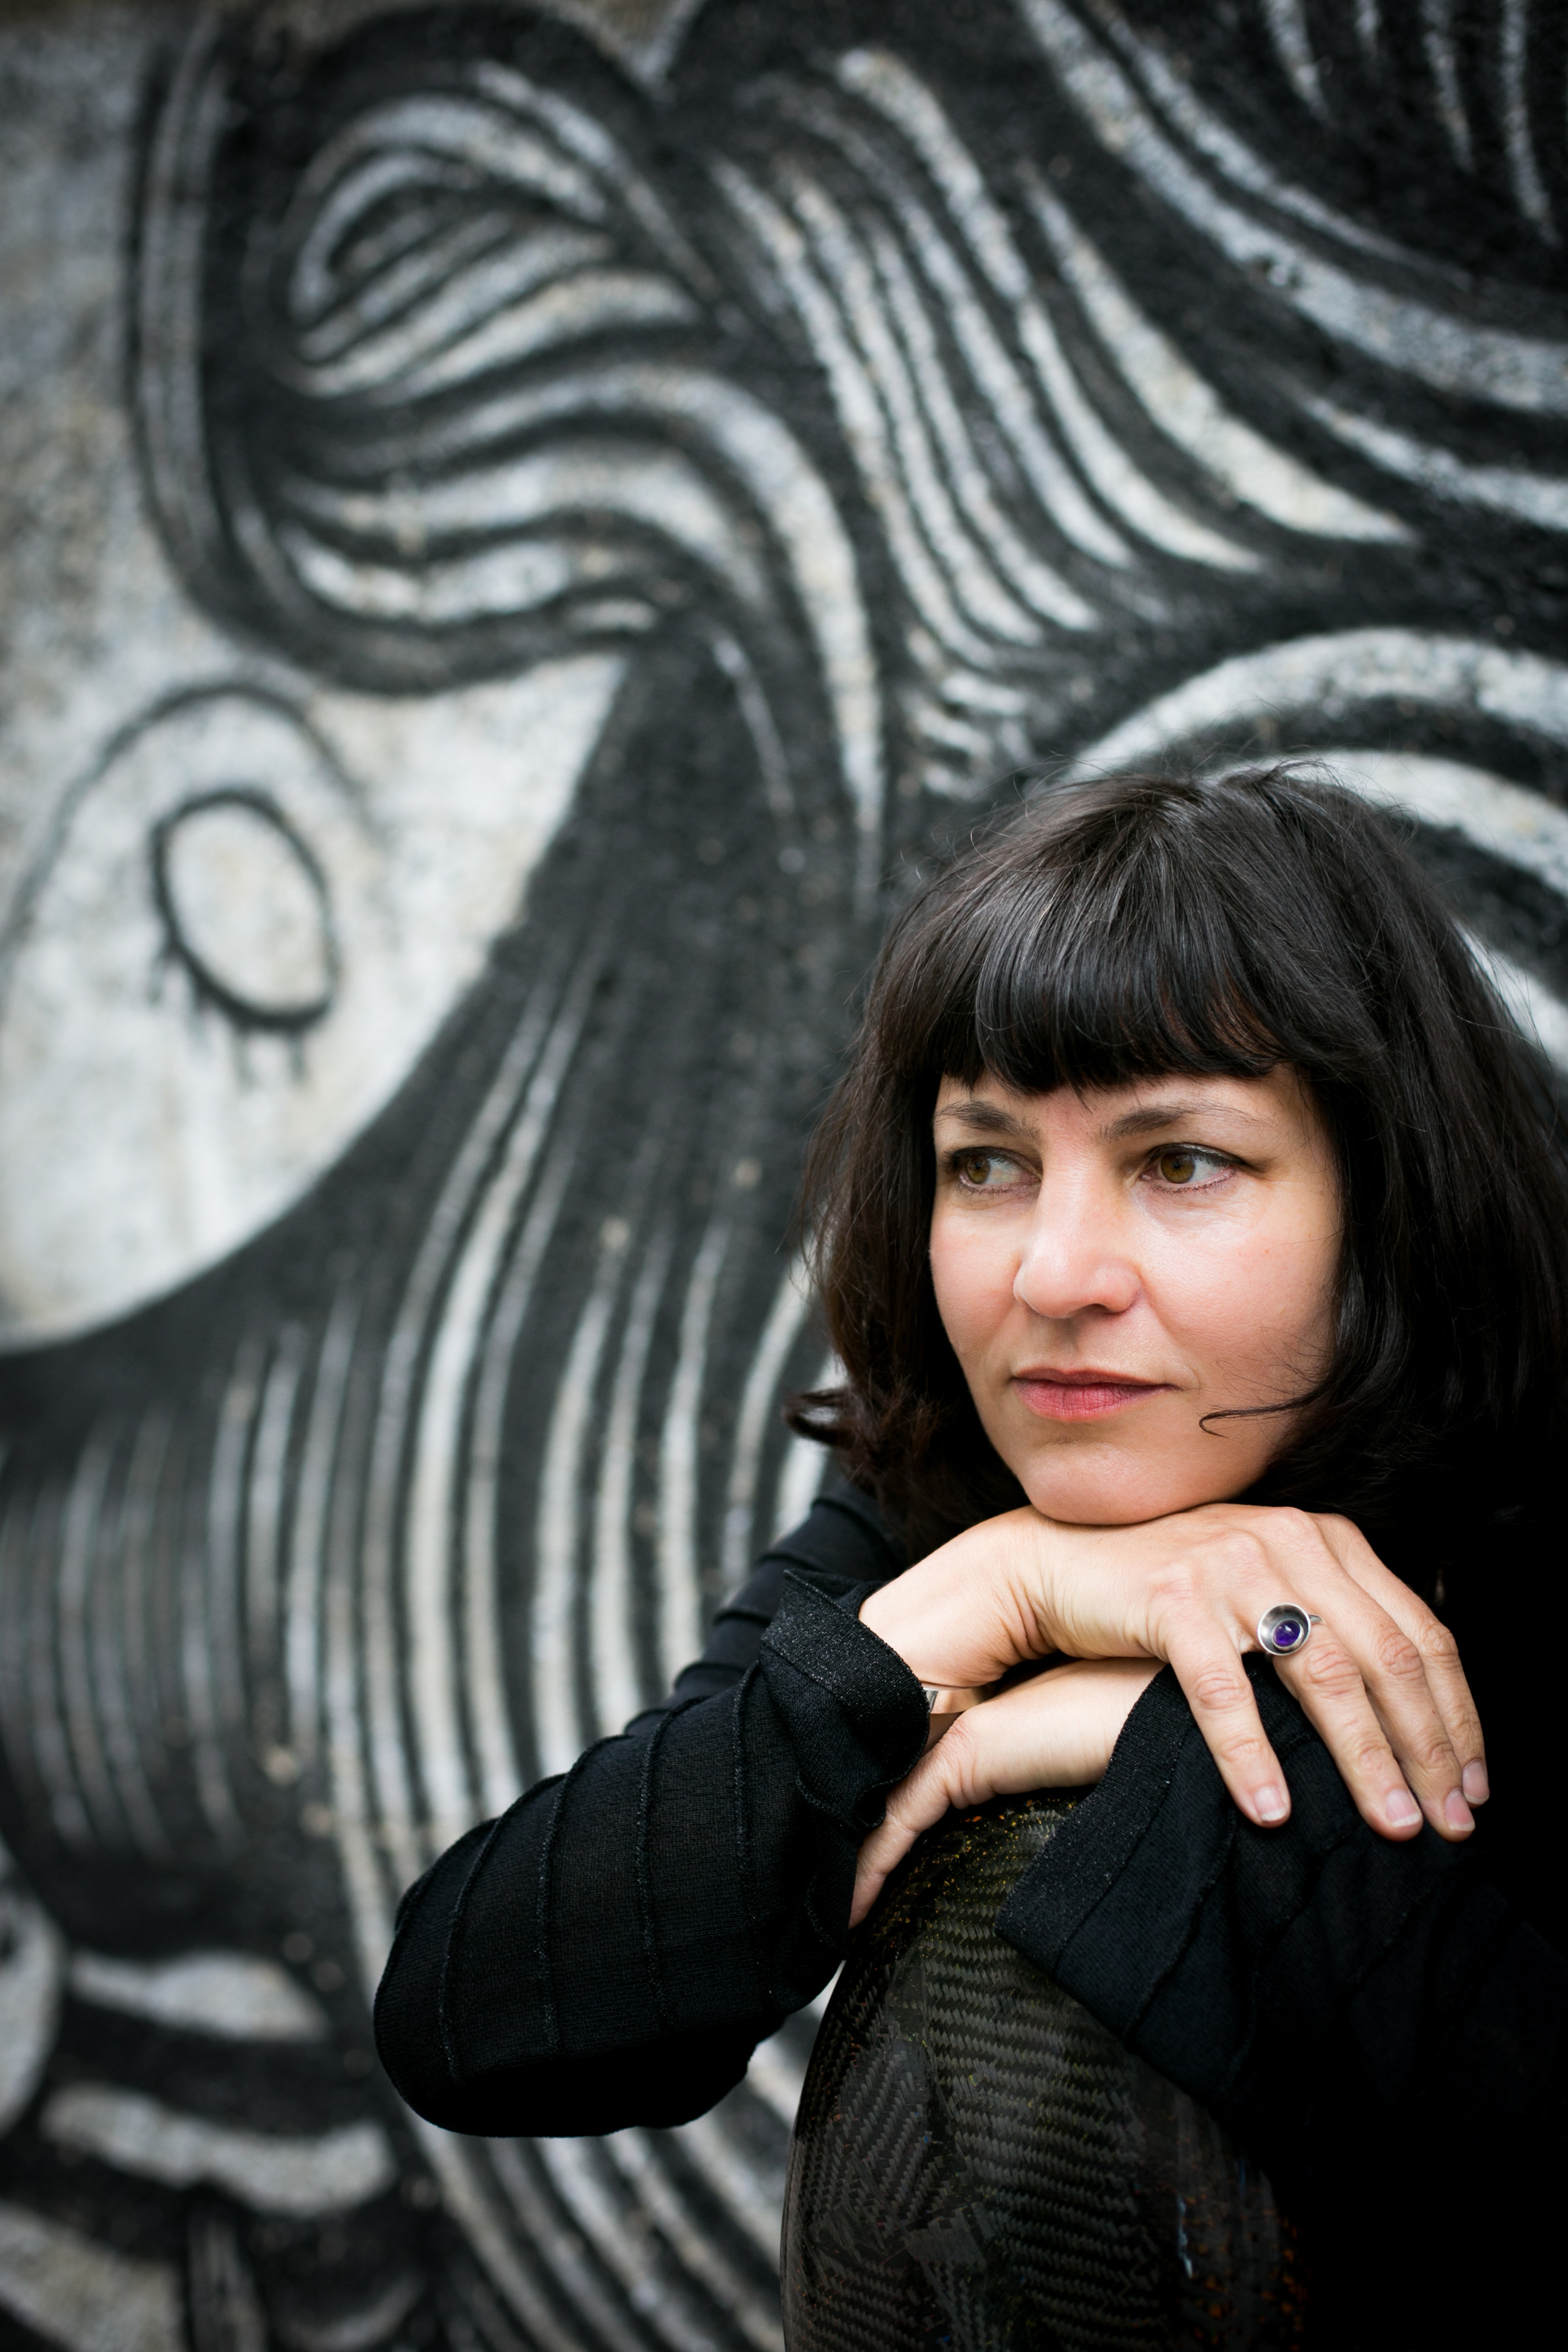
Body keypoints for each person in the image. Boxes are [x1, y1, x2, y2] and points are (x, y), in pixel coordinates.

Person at [375, 766, 1566, 2342]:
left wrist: (1180, 1743)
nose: (1056, 1276)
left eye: (1181, 1161)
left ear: (1385, 1206)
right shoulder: (944, 1502)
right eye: (987, 1163)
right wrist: (985, 1596)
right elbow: (469, 2013)